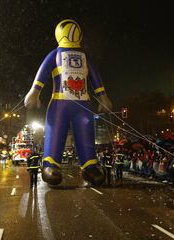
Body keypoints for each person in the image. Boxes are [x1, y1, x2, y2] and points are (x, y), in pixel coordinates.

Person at [24, 19, 112, 186]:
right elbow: (42, 72)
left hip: (83, 105)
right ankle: (50, 164)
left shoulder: (85, 57)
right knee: (55, 132)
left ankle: (89, 166)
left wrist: (103, 97)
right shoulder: (55, 54)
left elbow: (95, 78)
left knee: (85, 133)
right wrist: (34, 92)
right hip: (59, 104)